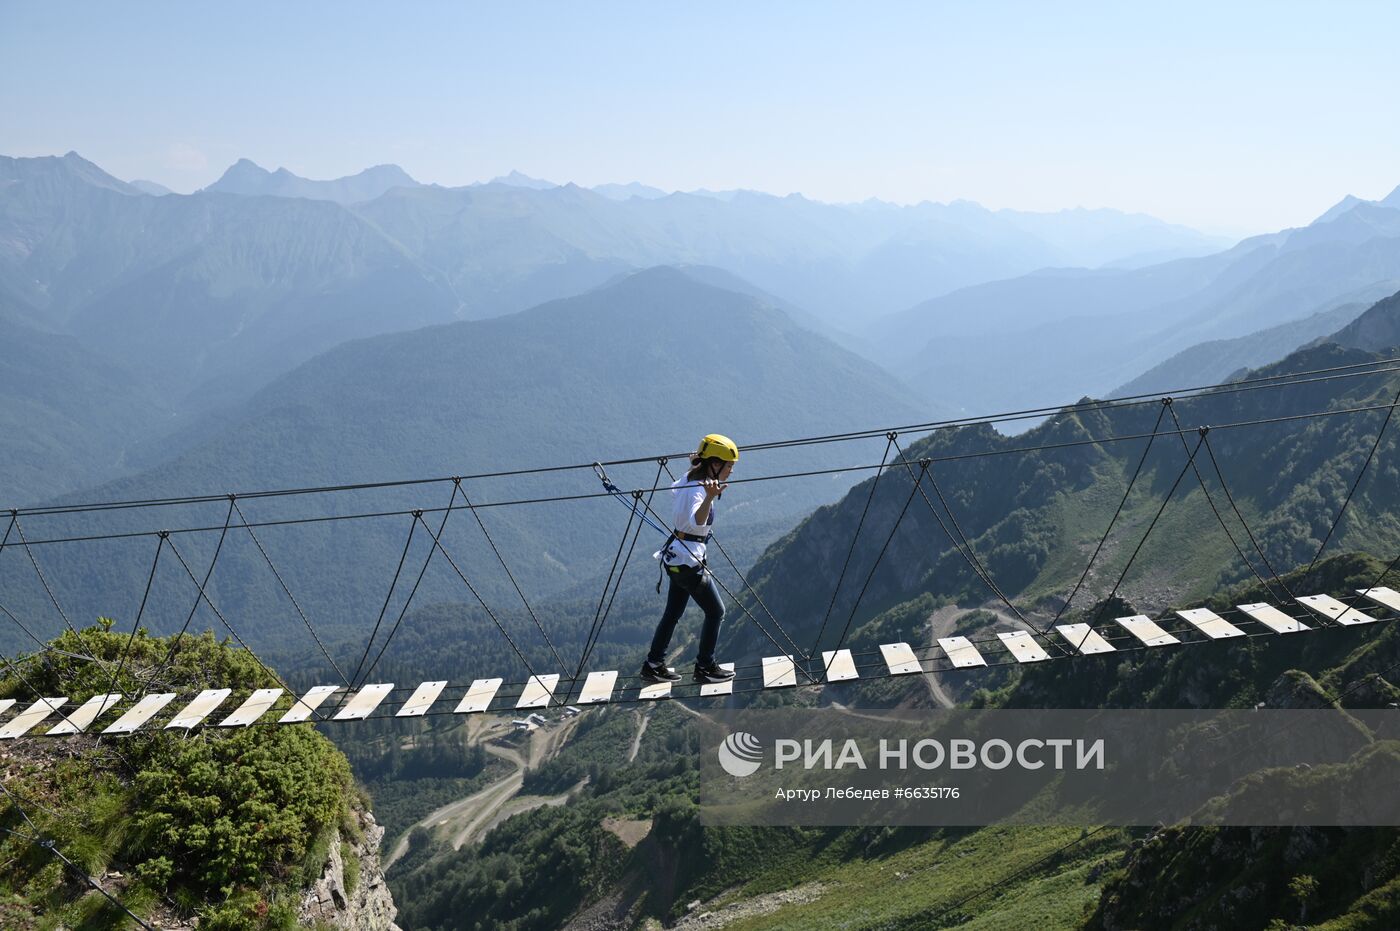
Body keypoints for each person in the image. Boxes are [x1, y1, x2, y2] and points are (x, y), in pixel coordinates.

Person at [640, 434, 740, 685]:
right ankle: (705, 667)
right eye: (728, 466)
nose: (731, 471)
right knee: (716, 612)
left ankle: (653, 665)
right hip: (688, 562)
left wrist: (697, 465)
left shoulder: (688, 480)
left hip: (675, 558)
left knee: (672, 614)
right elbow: (698, 520)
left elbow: (674, 488)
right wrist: (708, 497)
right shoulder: (699, 489)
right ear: (715, 464)